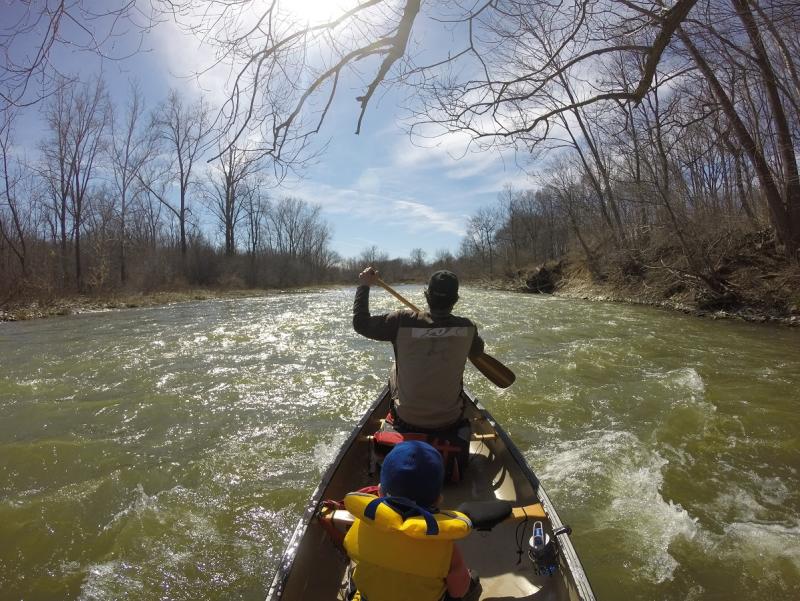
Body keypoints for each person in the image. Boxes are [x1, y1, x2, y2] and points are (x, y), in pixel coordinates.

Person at [353, 267, 485, 433]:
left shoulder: (401, 321)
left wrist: (364, 285)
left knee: (395, 367)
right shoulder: (468, 327)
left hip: (406, 420)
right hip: (451, 420)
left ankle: (397, 419)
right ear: (455, 299)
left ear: (427, 296)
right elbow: (478, 352)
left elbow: (360, 323)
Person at [343, 441, 479, 601]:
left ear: (379, 491)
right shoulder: (445, 547)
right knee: (472, 580)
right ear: (438, 499)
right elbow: (458, 591)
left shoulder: (363, 523)